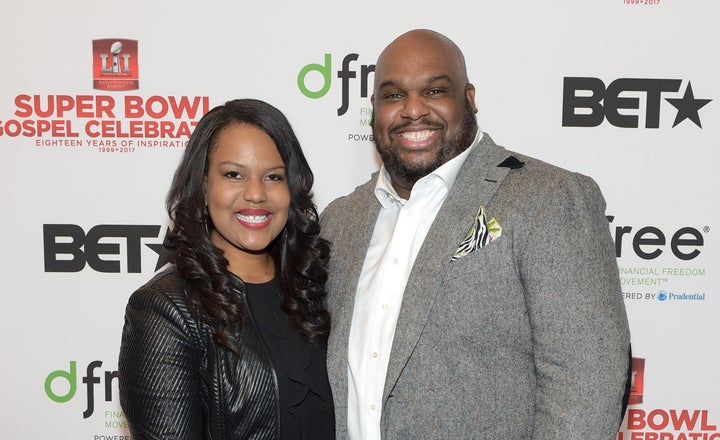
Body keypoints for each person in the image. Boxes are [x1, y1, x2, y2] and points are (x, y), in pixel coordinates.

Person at [320, 29, 631, 439]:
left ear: (469, 98)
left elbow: (586, 386)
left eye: (434, 91)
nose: (413, 110)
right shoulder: (340, 220)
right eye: (393, 96)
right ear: (374, 109)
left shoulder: (547, 198)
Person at [119, 99, 335, 439]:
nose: (255, 194)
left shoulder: (313, 288)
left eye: (273, 177)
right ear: (204, 186)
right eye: (234, 174)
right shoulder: (166, 309)